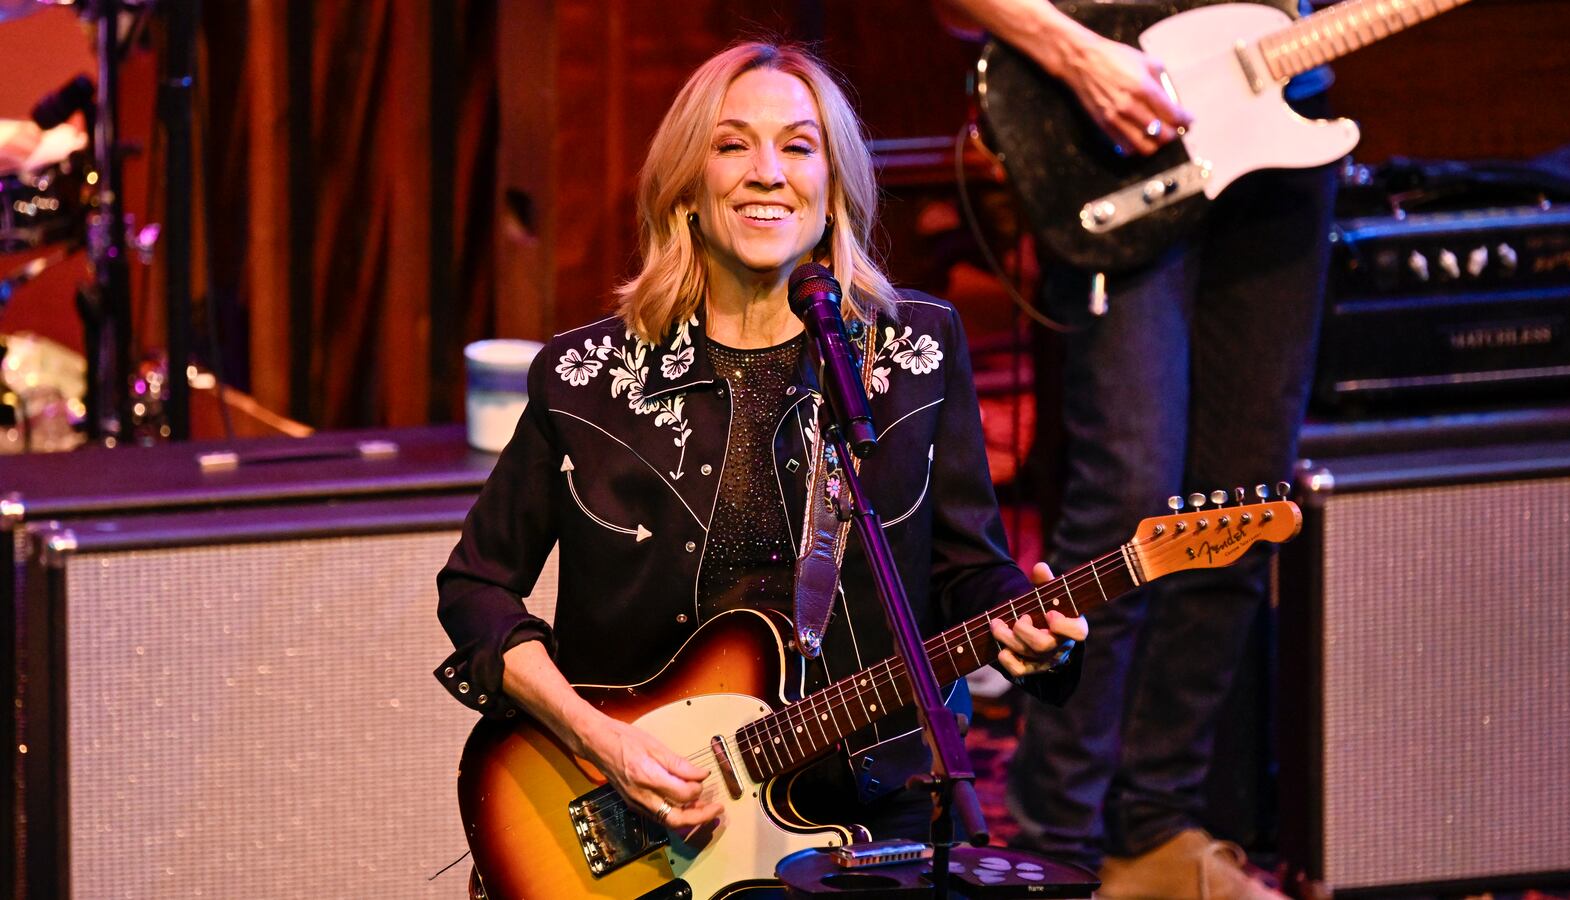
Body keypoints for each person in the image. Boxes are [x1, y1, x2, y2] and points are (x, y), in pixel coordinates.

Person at [434, 40, 1087, 885]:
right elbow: (476, 588)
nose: (767, 172)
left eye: (799, 145)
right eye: (733, 144)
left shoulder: (915, 354)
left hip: (858, 816)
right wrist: (602, 741)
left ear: (834, 185)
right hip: (631, 814)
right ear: (688, 188)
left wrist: (1031, 630)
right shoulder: (585, 377)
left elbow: (970, 569)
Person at [937, 1, 1339, 898]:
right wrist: (1078, 55)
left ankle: (1156, 828)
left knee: (1242, 509)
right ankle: (1058, 844)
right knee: (1132, 498)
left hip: (1281, 114)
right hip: (1115, 113)